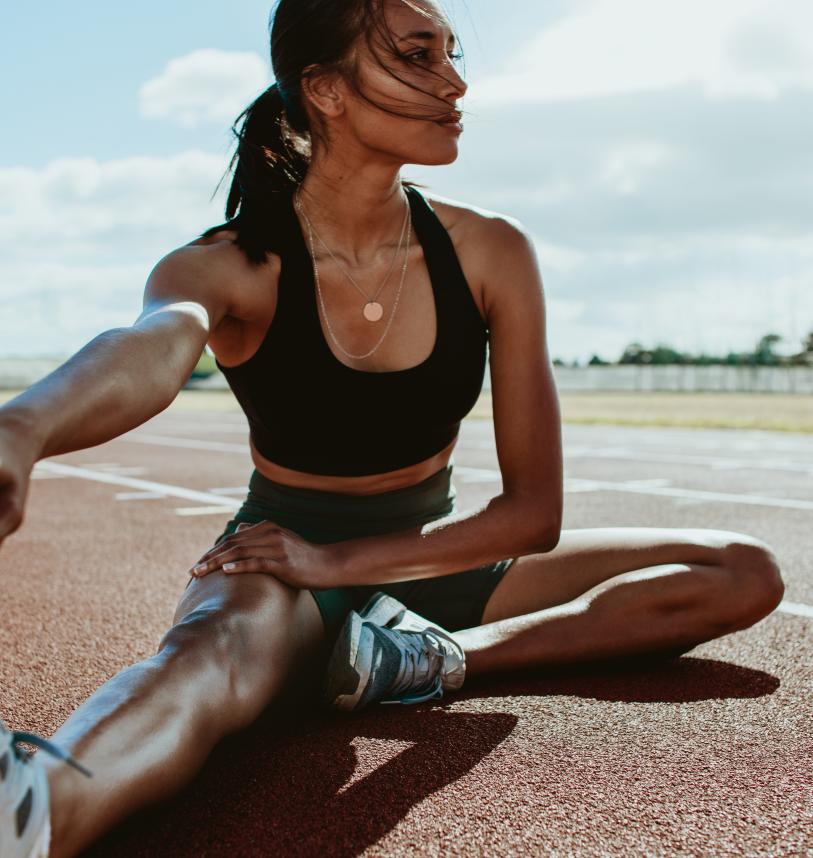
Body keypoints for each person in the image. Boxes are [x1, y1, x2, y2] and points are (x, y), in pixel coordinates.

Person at [0, 0, 785, 855]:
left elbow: (533, 517)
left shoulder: (490, 252)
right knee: (201, 667)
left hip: (444, 558)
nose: (455, 81)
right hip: (281, 572)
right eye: (418, 55)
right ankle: (35, 805)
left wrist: (343, 564)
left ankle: (427, 660)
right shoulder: (230, 265)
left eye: (450, 54)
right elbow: (150, 348)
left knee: (739, 570)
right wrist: (22, 429)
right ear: (326, 90)